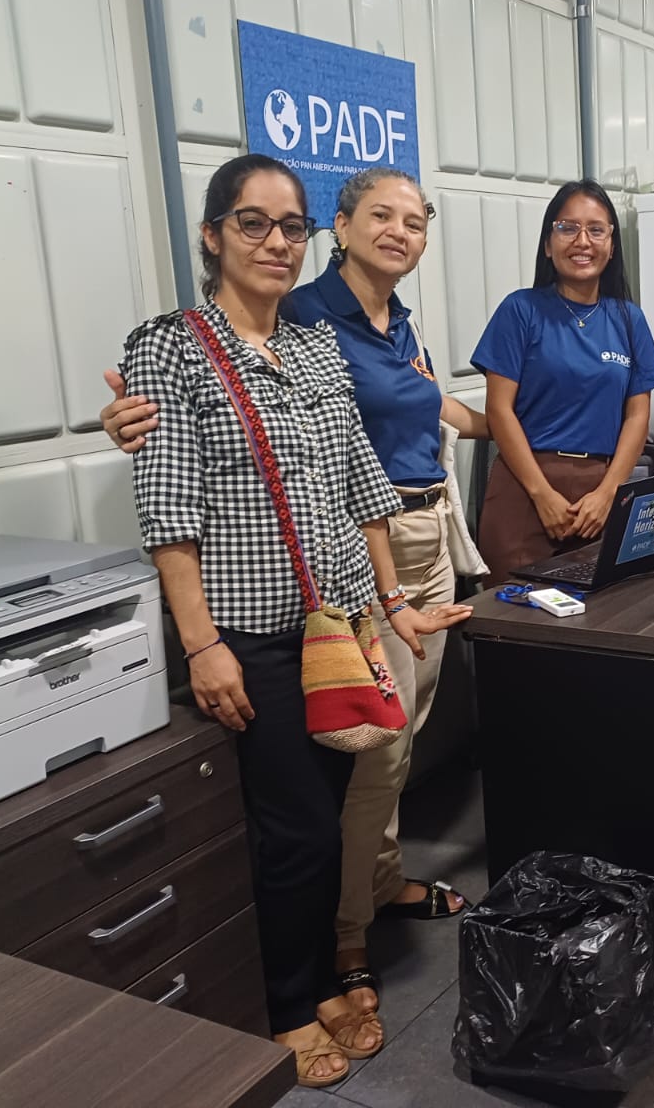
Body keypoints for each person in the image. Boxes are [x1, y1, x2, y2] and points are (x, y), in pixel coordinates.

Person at [101, 167, 486, 1056]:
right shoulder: (170, 347)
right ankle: (289, 1006)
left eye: (290, 227)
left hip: (341, 622)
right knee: (297, 830)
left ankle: (318, 975)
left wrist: (392, 604)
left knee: (335, 807)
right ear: (212, 235)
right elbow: (169, 511)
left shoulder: (313, 348)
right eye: (253, 223)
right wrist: (202, 645)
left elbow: (360, 481)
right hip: (254, 631)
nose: (276, 242)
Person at [471, 180, 654, 584]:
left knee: (604, 613)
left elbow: (637, 416)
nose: (582, 241)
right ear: (548, 244)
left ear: (611, 245)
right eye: (567, 228)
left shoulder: (629, 319)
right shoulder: (520, 310)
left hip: (601, 493)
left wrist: (609, 492)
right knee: (513, 615)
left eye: (596, 230)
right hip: (525, 489)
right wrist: (542, 494)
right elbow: (499, 410)